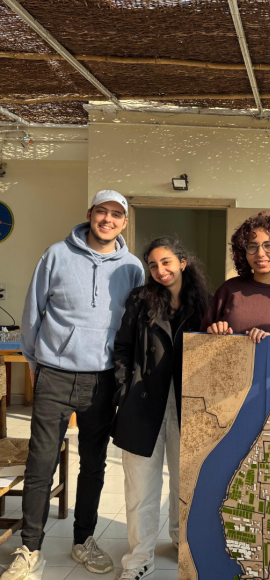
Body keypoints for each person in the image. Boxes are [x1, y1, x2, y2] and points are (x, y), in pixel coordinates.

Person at [11, 190, 144, 580]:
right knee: (41, 463)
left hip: (102, 379)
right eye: (102, 212)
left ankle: (83, 539)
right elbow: (33, 310)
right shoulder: (56, 255)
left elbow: (132, 324)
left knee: (93, 464)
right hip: (54, 373)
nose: (108, 220)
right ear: (90, 214)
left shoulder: (132, 267)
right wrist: (37, 362)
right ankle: (29, 547)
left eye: (116, 215)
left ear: (123, 222)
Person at [112, 237, 211, 580]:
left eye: (166, 262)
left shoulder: (204, 303)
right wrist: (124, 392)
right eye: (153, 265)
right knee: (141, 487)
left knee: (186, 483)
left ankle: (179, 541)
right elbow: (122, 349)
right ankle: (139, 559)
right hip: (142, 405)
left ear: (183, 262)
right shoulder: (140, 301)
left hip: (189, 406)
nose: (160, 270)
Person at [201, 211, 270, 341]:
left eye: (269, 246)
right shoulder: (228, 289)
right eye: (252, 246)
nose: (260, 253)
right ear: (243, 251)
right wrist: (214, 332)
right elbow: (202, 339)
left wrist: (269, 343)